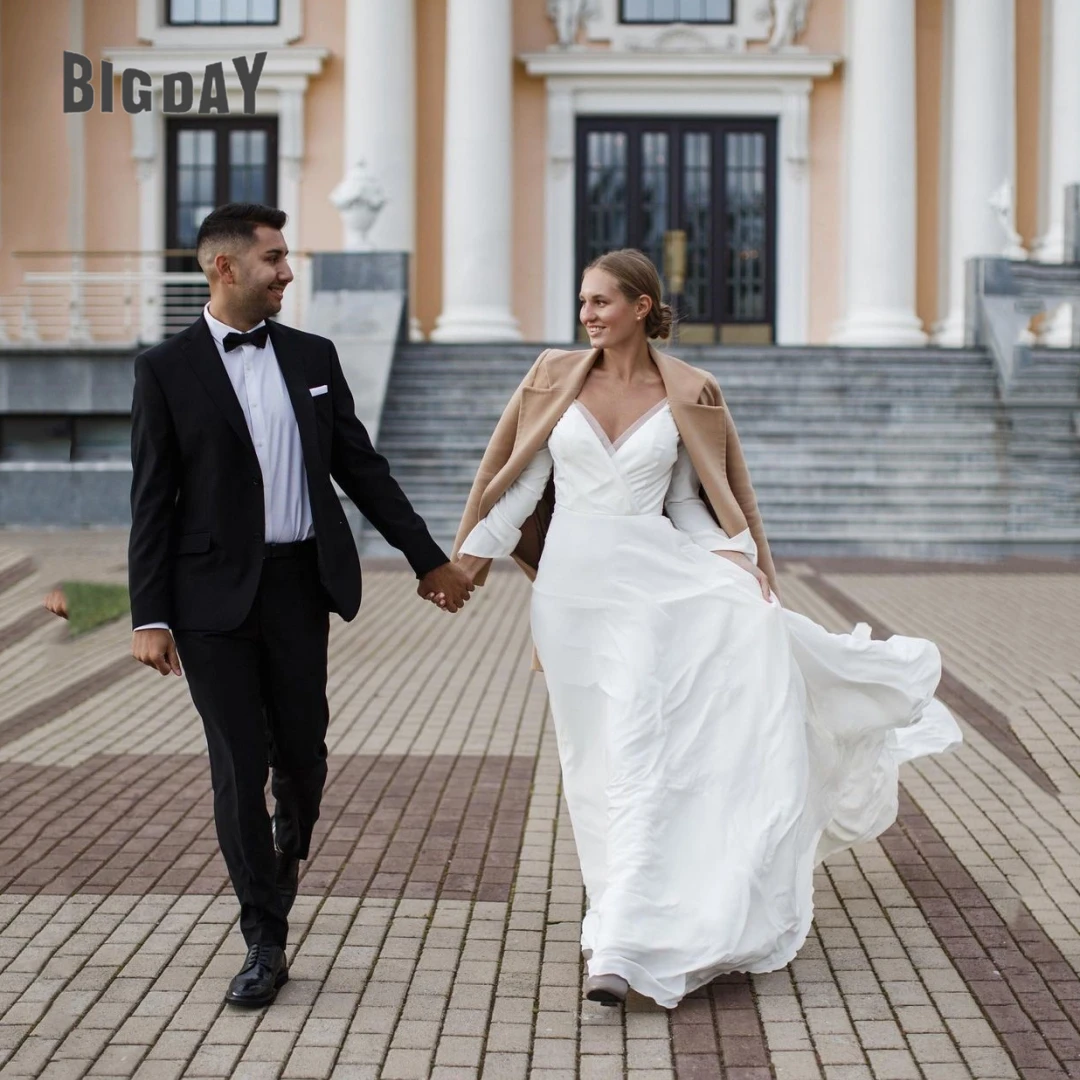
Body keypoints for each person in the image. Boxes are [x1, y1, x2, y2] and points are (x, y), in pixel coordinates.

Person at [451, 249, 962, 1009]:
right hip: (572, 596)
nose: (587, 314)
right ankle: (618, 906)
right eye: (583, 302)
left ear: (642, 307)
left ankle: (620, 940)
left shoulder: (689, 390)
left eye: (601, 302)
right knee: (593, 759)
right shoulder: (554, 377)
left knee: (640, 751)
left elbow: (692, 503)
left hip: (655, 586)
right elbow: (520, 485)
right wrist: (463, 564)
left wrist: (738, 566)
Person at [127, 202, 473, 1008]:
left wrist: (429, 561)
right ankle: (264, 934)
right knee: (239, 765)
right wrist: (149, 614)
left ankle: (278, 869)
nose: (288, 273)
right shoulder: (164, 369)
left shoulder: (313, 355)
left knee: (304, 759)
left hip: (296, 589)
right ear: (225, 268)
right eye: (275, 258)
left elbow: (363, 468)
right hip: (209, 599)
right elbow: (152, 500)